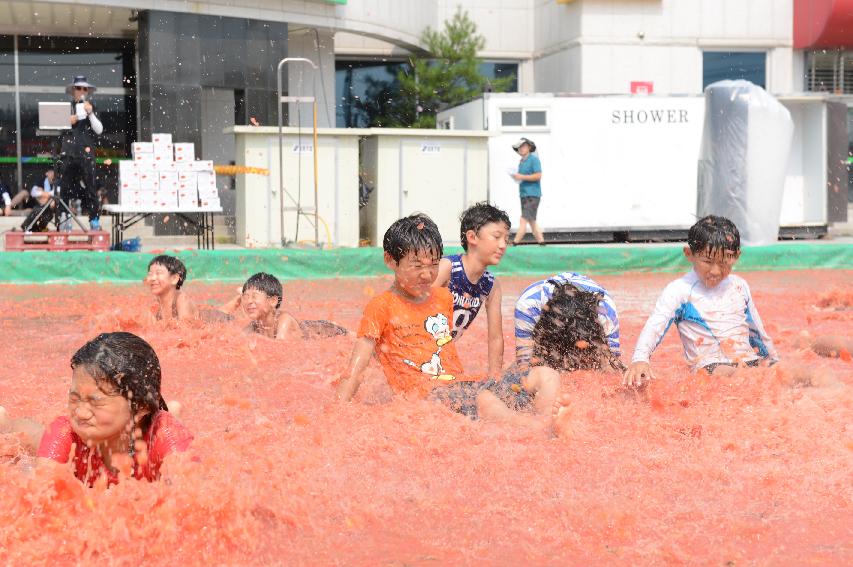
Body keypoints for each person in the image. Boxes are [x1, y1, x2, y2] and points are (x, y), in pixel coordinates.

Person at [335, 214, 562, 431]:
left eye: (433, 265)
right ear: (390, 260)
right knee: (485, 400)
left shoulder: (443, 298)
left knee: (545, 375)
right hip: (427, 397)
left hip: (463, 386)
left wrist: (494, 376)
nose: (427, 274)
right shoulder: (381, 306)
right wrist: (337, 410)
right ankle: (541, 428)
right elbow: (358, 365)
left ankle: (546, 422)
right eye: (417, 265)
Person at [0, 332, 192, 486]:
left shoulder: (164, 434)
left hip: (150, 422)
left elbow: (191, 500)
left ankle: (171, 412)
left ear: (140, 406)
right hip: (64, 440)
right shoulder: (66, 432)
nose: (81, 413)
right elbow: (43, 500)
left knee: (167, 423)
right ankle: (6, 422)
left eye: (96, 401)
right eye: (74, 399)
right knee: (31, 440)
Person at [623, 215, 779, 386]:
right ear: (689, 254)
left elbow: (756, 329)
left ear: (736, 257)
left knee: (793, 374)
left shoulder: (739, 286)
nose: (715, 271)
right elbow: (656, 324)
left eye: (724, 263)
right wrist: (640, 359)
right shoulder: (680, 290)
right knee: (744, 379)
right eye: (707, 261)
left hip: (749, 361)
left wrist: (774, 361)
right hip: (710, 368)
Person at [433, 202, 509, 378]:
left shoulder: (491, 285)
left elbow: (495, 338)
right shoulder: (447, 269)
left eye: (506, 239)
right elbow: (412, 310)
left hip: (441, 352)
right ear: (472, 237)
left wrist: (495, 378)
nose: (503, 245)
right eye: (497, 237)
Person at [514, 272, 622, 371]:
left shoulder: (605, 314)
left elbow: (613, 365)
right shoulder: (528, 308)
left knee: (599, 365)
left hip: (589, 318)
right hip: (544, 320)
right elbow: (524, 365)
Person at [58, 75, 104, 231]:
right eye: (79, 88)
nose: (82, 91)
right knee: (65, 188)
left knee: (91, 188)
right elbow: (56, 128)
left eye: (85, 88)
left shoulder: (92, 107)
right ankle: (64, 218)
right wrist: (67, 120)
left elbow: (99, 130)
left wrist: (90, 114)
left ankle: (94, 220)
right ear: (73, 91)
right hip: (68, 153)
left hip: (86, 153)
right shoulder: (66, 108)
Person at [510, 138, 545, 246]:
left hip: (532, 195)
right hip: (524, 194)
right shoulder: (521, 162)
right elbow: (522, 177)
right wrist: (517, 177)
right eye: (519, 147)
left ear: (529, 147)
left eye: (523, 146)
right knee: (531, 221)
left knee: (523, 219)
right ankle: (542, 243)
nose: (520, 149)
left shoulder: (534, 160)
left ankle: (515, 242)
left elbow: (538, 175)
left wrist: (521, 176)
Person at [145, 255, 198, 322]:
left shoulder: (181, 300)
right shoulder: (155, 306)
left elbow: (186, 330)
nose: (152, 278)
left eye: (158, 273)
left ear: (174, 279)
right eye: (150, 274)